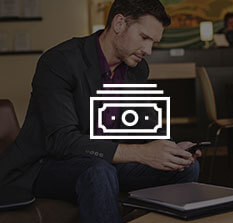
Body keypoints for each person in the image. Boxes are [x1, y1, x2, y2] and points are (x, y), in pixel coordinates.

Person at [0, 0, 201, 222]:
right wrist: (141, 153)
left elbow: (147, 122)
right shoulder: (59, 61)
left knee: (183, 168)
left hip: (106, 162)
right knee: (99, 171)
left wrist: (172, 148)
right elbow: (63, 141)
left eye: (154, 42)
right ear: (119, 23)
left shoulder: (137, 69)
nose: (149, 50)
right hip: (46, 165)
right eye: (144, 38)